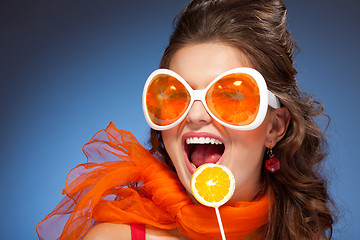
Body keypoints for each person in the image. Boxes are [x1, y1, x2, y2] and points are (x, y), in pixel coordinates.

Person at [37, 0, 335, 239]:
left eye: (229, 96)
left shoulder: (301, 234)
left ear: (275, 127)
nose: (194, 115)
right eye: (177, 95)